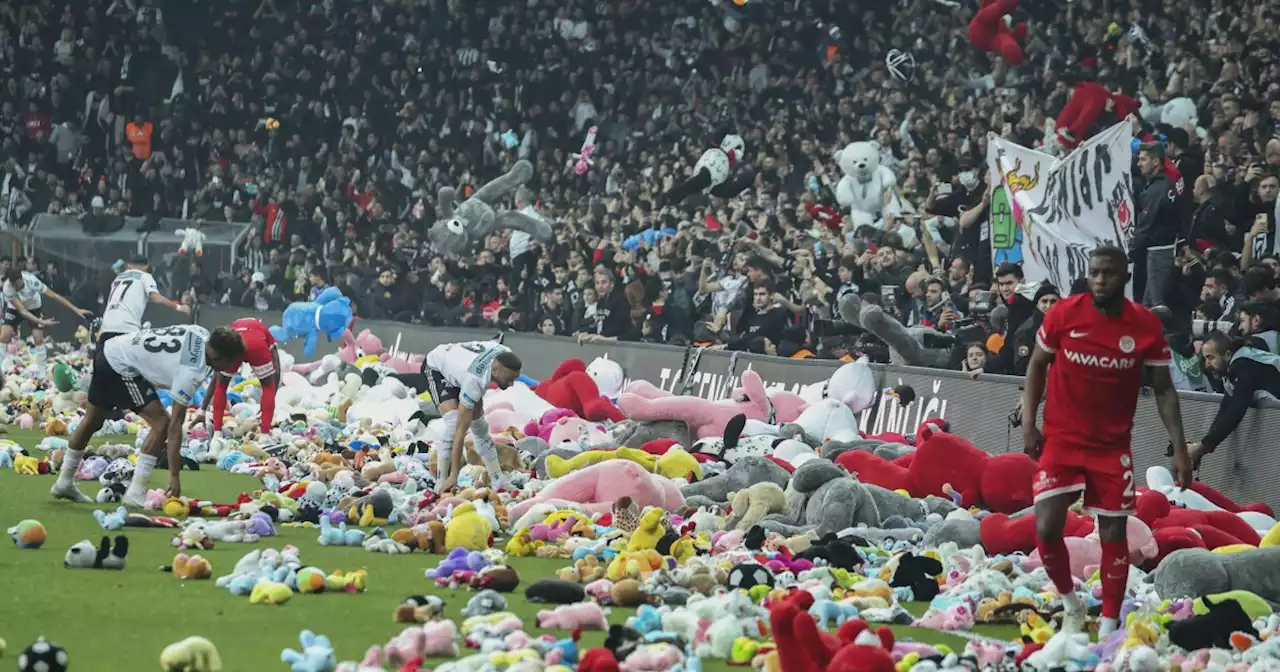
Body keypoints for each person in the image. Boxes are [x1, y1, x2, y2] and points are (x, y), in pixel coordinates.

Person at [1021, 246, 1192, 639]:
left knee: (1113, 533)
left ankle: (1112, 622)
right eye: (1095, 273)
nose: (1100, 280)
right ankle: (1070, 604)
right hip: (1062, 440)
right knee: (1046, 527)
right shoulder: (1064, 313)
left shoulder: (1145, 326)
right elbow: (1036, 364)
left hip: (1111, 447)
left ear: (1125, 278)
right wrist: (1030, 422)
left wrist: (1181, 448)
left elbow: (1164, 390)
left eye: (1108, 274)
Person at [50, 324, 246, 506]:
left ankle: (64, 482)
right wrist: (174, 477)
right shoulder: (190, 371)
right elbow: (175, 425)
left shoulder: (201, 333)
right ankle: (136, 492)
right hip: (122, 367)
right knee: (162, 423)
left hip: (110, 350)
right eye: (232, 363)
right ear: (220, 357)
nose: (233, 368)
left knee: (92, 421)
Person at [417, 340, 523, 492]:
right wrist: (454, 474)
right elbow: (460, 432)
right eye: (509, 379)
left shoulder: (505, 352)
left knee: (479, 426)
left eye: (515, 378)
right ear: (495, 371)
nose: (512, 384)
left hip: (462, 368)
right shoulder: (475, 381)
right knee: (454, 424)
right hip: (437, 367)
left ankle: (497, 480)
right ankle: (441, 482)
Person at [1188, 331, 1280, 469]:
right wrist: (1203, 447)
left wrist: (1202, 446)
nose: (1207, 364)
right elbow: (1225, 408)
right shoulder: (1235, 367)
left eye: (1211, 358)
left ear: (1227, 355)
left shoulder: (1244, 364)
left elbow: (1235, 410)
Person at [199, 318, 280, 434]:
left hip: (245, 344)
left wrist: (202, 409)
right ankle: (265, 435)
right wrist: (269, 404)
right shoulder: (261, 332)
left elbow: (216, 379)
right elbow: (276, 367)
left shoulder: (226, 338)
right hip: (256, 344)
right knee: (268, 387)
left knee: (221, 386)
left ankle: (217, 433)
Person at [1, 267, 92, 370]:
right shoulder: (7, 288)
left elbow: (54, 296)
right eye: (12, 284)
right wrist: (40, 321)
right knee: (4, 335)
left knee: (38, 338)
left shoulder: (32, 281)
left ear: (21, 279)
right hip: (16, 308)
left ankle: (41, 369)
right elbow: (22, 311)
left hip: (34, 307)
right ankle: (1, 365)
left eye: (16, 284)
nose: (14, 287)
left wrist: (76, 309)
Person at [97, 255, 190, 347]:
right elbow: (157, 299)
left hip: (106, 328)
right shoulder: (145, 276)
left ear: (130, 265)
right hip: (126, 327)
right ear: (146, 266)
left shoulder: (118, 278)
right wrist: (180, 308)